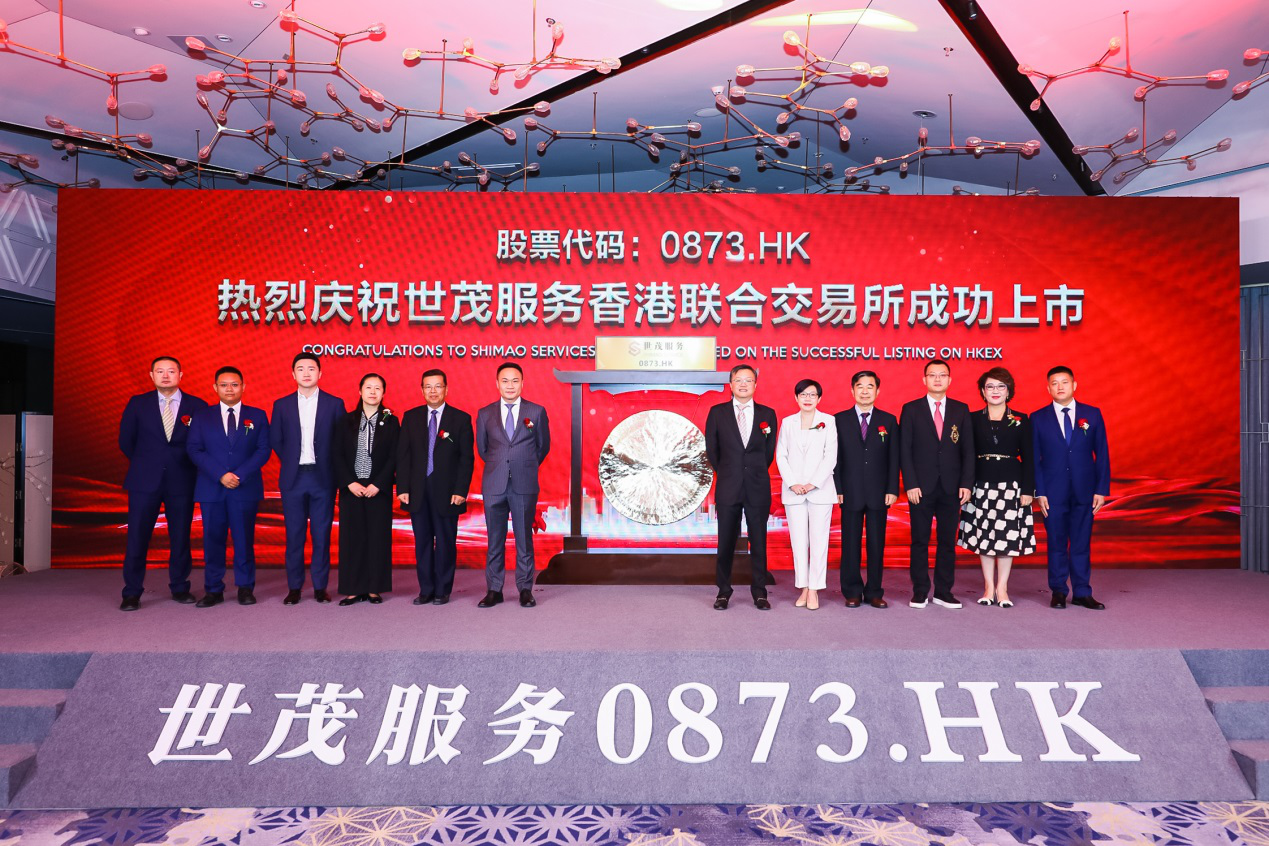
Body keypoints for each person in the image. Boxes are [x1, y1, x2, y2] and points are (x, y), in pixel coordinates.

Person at [116, 356, 209, 610]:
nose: (165, 376)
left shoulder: (197, 406)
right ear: (151, 376)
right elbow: (126, 441)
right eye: (160, 371)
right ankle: (132, 592)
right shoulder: (138, 404)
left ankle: (180, 587)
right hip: (144, 480)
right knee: (137, 536)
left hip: (182, 480)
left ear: (181, 375)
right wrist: (148, 463)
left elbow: (202, 443)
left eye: (171, 371)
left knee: (180, 537)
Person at [186, 366, 271, 607]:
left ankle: (245, 587)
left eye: (234, 384)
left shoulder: (257, 416)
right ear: (215, 388)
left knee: (244, 540)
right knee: (212, 540)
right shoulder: (202, 416)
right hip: (212, 487)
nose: (229, 389)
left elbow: (263, 450)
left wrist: (239, 475)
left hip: (244, 488)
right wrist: (220, 474)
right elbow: (194, 449)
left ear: (243, 386)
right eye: (224, 385)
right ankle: (213, 589)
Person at [270, 352, 347, 605]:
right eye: (301, 369)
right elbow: (276, 439)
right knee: (294, 535)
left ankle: (320, 587)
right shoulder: (281, 405)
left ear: (320, 373)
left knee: (321, 535)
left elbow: (342, 441)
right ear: (293, 374)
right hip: (293, 478)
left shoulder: (334, 404)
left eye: (311, 368)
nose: (306, 373)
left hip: (322, 477)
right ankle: (294, 587)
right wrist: (292, 460)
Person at [1032, 366, 1110, 610]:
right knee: (1056, 543)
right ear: (1048, 388)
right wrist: (1039, 491)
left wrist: (1101, 490)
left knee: (1080, 542)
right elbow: (1034, 459)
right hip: (1052, 492)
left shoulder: (1092, 414)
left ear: (1074, 385)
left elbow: (1102, 454)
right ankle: (1058, 591)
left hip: (1085, 490)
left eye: (1064, 382)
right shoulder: (1038, 418)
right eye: (1054, 383)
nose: (1060, 387)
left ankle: (1082, 592)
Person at [957, 367, 1036, 608]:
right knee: (984, 536)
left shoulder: (1021, 419)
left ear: (1008, 391)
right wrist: (965, 485)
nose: (995, 391)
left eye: (1001, 386)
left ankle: (1002, 588)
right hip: (980, 485)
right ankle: (988, 587)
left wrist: (1027, 490)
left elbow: (1030, 458)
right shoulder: (972, 418)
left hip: (1011, 485)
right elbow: (965, 454)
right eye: (990, 386)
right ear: (983, 391)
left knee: (1005, 538)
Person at [899, 359, 974, 610]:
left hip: (952, 487)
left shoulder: (961, 409)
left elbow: (968, 450)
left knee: (947, 542)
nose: (938, 379)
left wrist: (966, 483)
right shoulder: (911, 409)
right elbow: (904, 450)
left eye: (942, 375)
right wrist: (910, 483)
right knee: (919, 540)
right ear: (924, 380)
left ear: (950, 380)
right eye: (933, 375)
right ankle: (920, 591)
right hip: (920, 488)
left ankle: (944, 592)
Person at [475, 362, 551, 608]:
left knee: (524, 540)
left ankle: (525, 589)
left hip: (523, 484)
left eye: (515, 380)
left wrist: (523, 465)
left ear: (522, 383)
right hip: (494, 484)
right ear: (497, 384)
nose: (510, 385)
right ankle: (494, 589)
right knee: (494, 541)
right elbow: (483, 449)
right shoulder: (485, 413)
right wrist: (501, 466)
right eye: (505, 381)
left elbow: (542, 446)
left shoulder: (536, 412)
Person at [397, 368, 474, 606]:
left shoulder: (460, 419)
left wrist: (460, 491)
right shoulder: (410, 417)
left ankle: (443, 589)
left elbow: (466, 459)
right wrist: (402, 487)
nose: (433, 391)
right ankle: (426, 589)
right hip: (417, 491)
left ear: (446, 389)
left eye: (438, 386)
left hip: (448, 493)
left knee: (445, 542)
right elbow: (403, 456)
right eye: (428, 387)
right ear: (422, 390)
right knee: (422, 542)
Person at [705, 364, 778, 610]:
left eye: (748, 380)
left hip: (757, 486)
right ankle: (723, 592)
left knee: (759, 542)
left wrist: (752, 471)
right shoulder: (717, 413)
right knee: (725, 542)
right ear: (731, 384)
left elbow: (768, 453)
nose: (743, 384)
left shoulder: (768, 414)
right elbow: (712, 450)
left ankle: (760, 592)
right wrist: (729, 471)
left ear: (756, 385)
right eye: (739, 380)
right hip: (729, 486)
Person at [834, 370, 899, 609]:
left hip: (879, 492)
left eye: (870, 386)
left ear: (877, 391)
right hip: (849, 491)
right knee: (850, 543)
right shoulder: (838, 420)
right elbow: (835, 458)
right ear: (852, 390)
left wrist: (892, 488)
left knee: (876, 544)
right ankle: (852, 591)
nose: (864, 391)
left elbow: (894, 458)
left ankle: (874, 592)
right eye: (860, 386)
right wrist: (837, 487)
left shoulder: (888, 420)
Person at [334, 373, 399, 605]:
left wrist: (379, 483)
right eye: (368, 387)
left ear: (383, 393)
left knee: (377, 538)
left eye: (377, 388)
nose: (373, 392)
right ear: (360, 391)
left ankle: (374, 588)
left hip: (377, 488)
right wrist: (348, 482)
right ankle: (353, 589)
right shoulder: (346, 420)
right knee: (352, 539)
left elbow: (395, 456)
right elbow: (337, 454)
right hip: (351, 487)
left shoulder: (391, 421)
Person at [775, 379, 837, 611]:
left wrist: (813, 483)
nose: (808, 398)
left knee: (819, 541)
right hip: (794, 491)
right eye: (803, 394)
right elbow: (781, 455)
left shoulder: (828, 421)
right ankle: (803, 586)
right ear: (796, 398)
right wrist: (793, 483)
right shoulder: (787, 422)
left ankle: (814, 589)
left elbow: (830, 456)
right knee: (799, 542)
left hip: (820, 490)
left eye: (812, 395)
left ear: (819, 398)